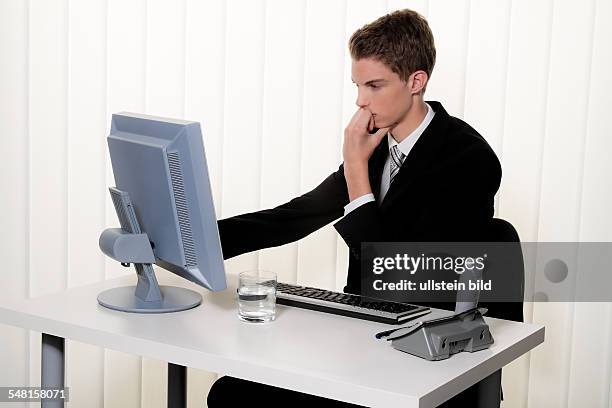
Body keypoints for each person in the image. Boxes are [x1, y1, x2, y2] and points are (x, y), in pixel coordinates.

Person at [209, 9, 503, 407]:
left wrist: (356, 171)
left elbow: (396, 276)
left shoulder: (468, 159)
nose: (361, 102)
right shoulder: (377, 145)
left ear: (416, 81)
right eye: (358, 85)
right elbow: (297, 215)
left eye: (375, 85)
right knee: (232, 389)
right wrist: (196, 241)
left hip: (421, 354)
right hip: (366, 337)